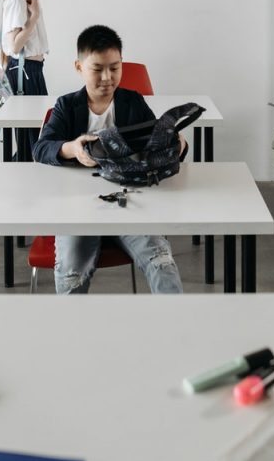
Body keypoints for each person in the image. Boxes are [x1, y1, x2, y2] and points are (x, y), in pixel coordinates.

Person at [33, 25, 183, 295]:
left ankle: (177, 331)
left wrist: (177, 144)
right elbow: (41, 148)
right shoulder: (67, 106)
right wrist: (72, 148)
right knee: (71, 274)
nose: (107, 77)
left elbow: (155, 144)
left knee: (163, 263)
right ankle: (72, 335)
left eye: (115, 68)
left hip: (130, 204)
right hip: (77, 210)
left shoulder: (132, 102)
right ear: (79, 67)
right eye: (97, 68)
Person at [1, 0, 50, 158]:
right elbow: (13, 46)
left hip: (32, 70)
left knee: (38, 130)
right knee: (32, 133)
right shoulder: (17, 1)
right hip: (24, 72)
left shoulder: (28, 0)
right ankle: (27, 175)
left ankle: (31, 174)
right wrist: (34, 19)